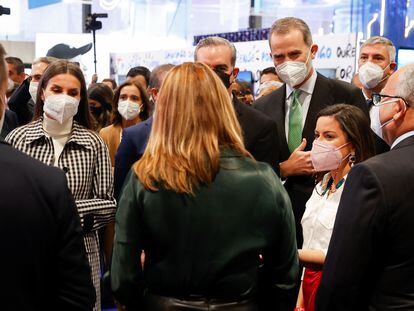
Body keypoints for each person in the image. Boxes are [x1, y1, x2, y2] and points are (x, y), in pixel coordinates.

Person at [111, 62, 298, 310]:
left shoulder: (145, 177)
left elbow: (123, 276)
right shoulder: (264, 179)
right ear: (222, 106)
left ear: (166, 109)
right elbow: (285, 275)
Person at [6, 59, 116, 311]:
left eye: (72, 93)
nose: (64, 98)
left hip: (81, 258)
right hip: (26, 257)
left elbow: (108, 204)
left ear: (80, 98)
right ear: (43, 92)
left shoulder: (93, 143)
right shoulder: (18, 139)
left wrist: (62, 213)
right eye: (57, 90)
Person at [254, 17, 368, 248]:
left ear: (312, 51)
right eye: (279, 57)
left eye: (294, 54)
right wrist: (284, 169)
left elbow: (365, 154)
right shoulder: (263, 106)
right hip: (281, 219)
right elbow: (258, 166)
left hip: (334, 215)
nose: (287, 62)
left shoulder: (346, 94)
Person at [315, 63, 414, 311]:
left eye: (382, 99)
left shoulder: (373, 174)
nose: (377, 106)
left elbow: (342, 276)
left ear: (398, 108)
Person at [295, 104, 374, 311]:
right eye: (317, 135)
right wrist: (300, 300)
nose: (319, 143)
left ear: (354, 144)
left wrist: (287, 253)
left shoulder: (362, 189)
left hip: (340, 291)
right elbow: (310, 240)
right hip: (309, 284)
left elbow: (344, 253)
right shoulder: (322, 184)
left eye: (329, 136)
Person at [194, 36, 279, 172]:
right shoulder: (178, 117)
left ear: (234, 73)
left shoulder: (260, 126)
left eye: (220, 68)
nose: (212, 75)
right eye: (204, 68)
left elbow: (265, 185)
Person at [114, 63, 174, 199]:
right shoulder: (134, 136)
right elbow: (121, 190)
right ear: (155, 93)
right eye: (171, 90)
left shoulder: (194, 132)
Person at [358, 36, 396, 154]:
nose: (368, 63)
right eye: (364, 57)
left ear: (391, 67)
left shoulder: (399, 106)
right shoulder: (347, 100)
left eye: (377, 58)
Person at [99, 81, 150, 167]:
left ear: (143, 106)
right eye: (123, 97)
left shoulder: (150, 133)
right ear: (117, 102)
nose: (128, 102)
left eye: (134, 98)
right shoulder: (105, 133)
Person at [7, 56, 58, 126]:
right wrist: (28, 81)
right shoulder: (32, 104)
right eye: (31, 78)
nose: (32, 82)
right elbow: (14, 104)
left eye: (38, 77)